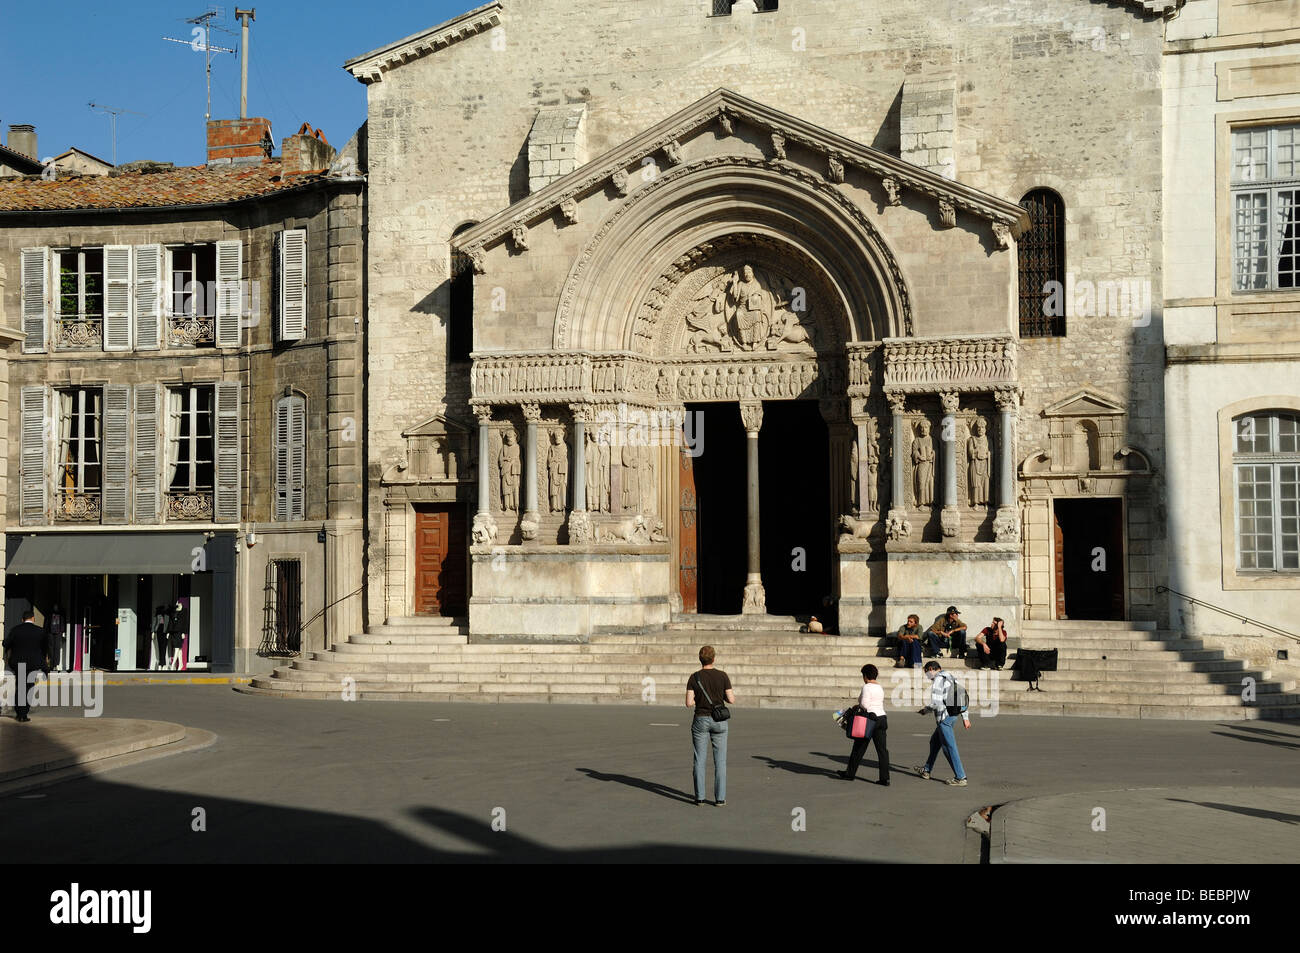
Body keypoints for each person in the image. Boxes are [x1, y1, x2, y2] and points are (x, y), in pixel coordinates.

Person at [686, 645, 735, 806]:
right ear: (714, 659)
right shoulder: (722, 676)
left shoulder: (694, 677)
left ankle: (699, 797)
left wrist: (698, 699)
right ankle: (720, 798)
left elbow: (688, 703)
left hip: (700, 718)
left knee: (699, 759)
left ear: (700, 659)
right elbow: (731, 699)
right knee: (720, 761)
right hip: (719, 721)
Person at [914, 661, 970, 786]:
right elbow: (961, 695)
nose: (927, 676)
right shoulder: (950, 677)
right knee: (935, 742)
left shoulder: (938, 680)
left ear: (930, 669)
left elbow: (936, 703)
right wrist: (965, 716)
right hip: (953, 715)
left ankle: (961, 777)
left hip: (944, 719)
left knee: (949, 748)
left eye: (926, 673)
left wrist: (925, 710)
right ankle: (926, 770)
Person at [839, 663, 890, 786]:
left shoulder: (867, 687)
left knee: (859, 748)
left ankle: (850, 774)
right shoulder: (880, 687)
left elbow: (865, 705)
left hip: (869, 719)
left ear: (865, 675)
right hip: (882, 718)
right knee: (882, 750)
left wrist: (858, 705)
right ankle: (884, 778)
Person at [4, 607, 50, 723]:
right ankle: (24, 713)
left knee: (20, 687)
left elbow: (5, 643)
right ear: (33, 619)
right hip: (33, 664)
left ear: (22, 619)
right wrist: (44, 662)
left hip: (19, 663)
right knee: (29, 687)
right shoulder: (40, 631)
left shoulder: (16, 630)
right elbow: (45, 648)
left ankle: (20, 714)